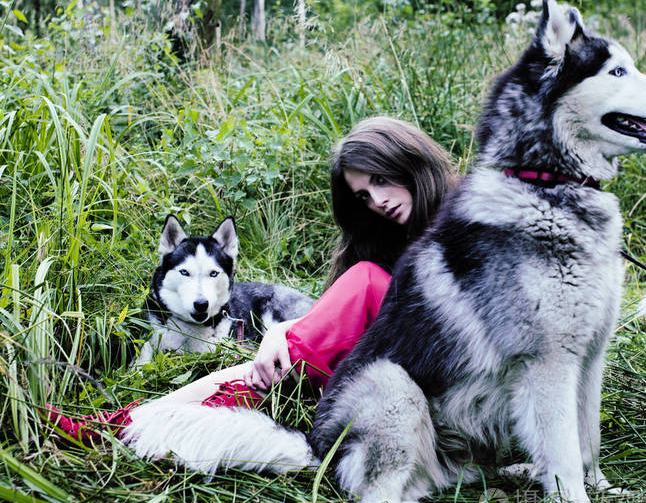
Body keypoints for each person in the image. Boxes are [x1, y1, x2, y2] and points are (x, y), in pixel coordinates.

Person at [47, 116, 457, 442]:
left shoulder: (468, 218)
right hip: (386, 372)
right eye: (363, 195)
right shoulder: (392, 237)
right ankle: (126, 422)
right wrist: (283, 332)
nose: (378, 201)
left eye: (381, 180)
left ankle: (122, 426)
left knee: (363, 281)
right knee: (253, 365)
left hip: (444, 380)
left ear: (407, 161)